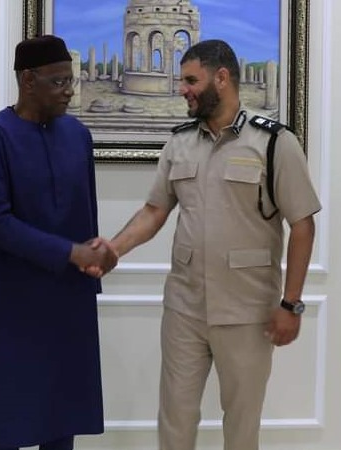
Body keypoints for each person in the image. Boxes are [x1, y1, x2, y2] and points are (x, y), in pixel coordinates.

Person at [89, 39, 320, 450]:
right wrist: (114, 249)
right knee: (175, 420)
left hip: (247, 312)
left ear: (222, 78)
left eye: (191, 80)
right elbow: (154, 211)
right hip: (185, 309)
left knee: (241, 427)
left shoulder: (274, 142)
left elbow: (302, 225)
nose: (183, 89)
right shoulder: (180, 142)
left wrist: (291, 304)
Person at [0, 35, 116, 450]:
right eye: (59, 81)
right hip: (4, 304)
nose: (69, 91)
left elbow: (86, 212)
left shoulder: (78, 135)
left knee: (61, 418)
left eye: (71, 80)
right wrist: (70, 253)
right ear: (28, 81)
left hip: (66, 302)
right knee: (4, 419)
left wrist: (94, 262)